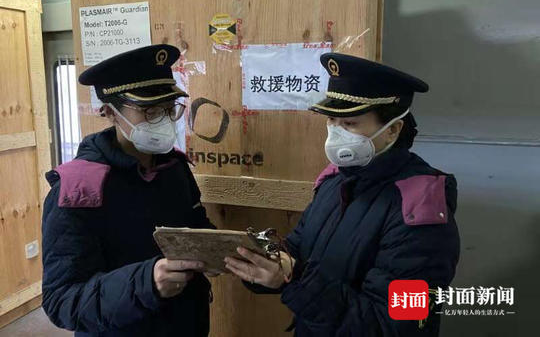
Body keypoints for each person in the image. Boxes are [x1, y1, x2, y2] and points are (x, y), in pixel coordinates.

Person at [225, 53, 460, 336]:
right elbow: (297, 249)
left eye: (349, 124)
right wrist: (264, 263)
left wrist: (294, 278)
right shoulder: (335, 181)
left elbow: (395, 325)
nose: (336, 134)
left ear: (393, 130)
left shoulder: (420, 208)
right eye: (332, 120)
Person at [42, 45, 215, 337]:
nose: (163, 120)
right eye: (150, 111)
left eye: (168, 109)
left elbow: (194, 226)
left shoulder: (174, 167)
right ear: (110, 112)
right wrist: (147, 283)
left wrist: (218, 249)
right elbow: (62, 300)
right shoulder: (78, 189)